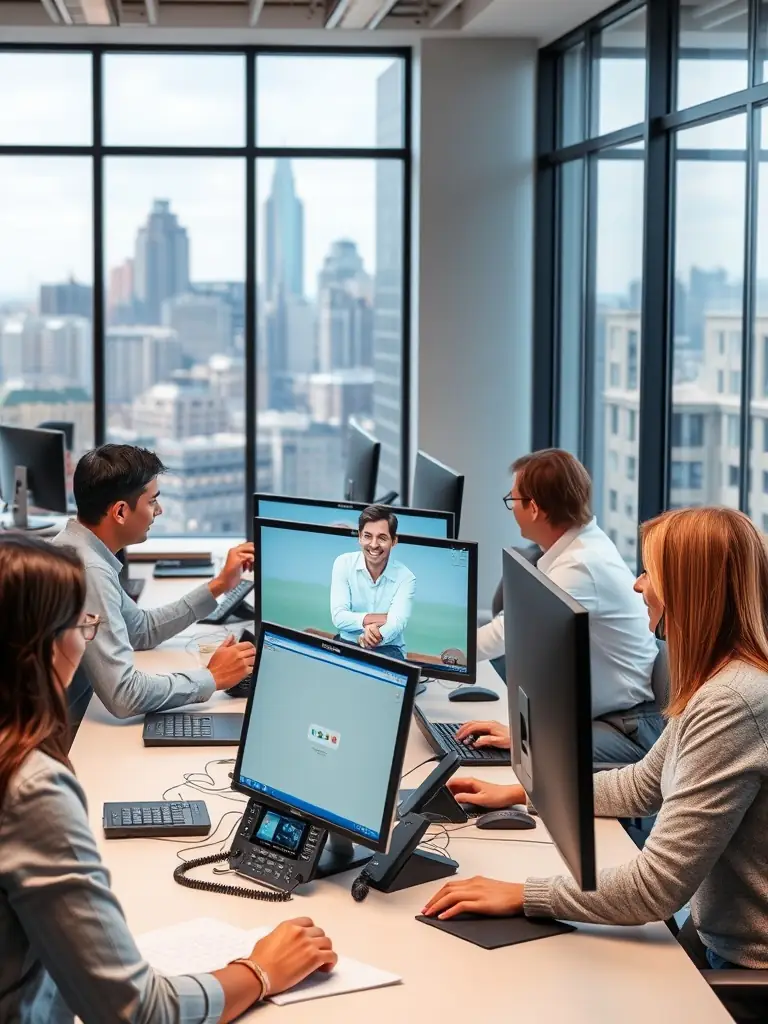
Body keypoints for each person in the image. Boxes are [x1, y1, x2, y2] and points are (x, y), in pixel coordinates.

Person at [423, 507, 768, 1020]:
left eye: (651, 572)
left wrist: (523, 894)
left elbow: (654, 888)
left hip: (745, 967)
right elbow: (643, 786)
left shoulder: (733, 701)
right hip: (716, 933)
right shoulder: (721, 678)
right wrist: (524, 792)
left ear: (691, 590)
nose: (637, 585)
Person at [0, 533, 336, 1023]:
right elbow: (138, 1013)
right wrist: (261, 970)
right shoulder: (30, 786)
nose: (86, 637)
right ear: (40, 648)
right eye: (82, 624)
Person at [462, 448, 661, 763]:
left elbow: (509, 632)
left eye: (513, 501)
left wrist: (435, 657)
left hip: (626, 727)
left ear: (535, 509)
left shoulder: (580, 567)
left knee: (522, 756)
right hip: (606, 712)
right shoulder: (577, 547)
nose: (511, 509)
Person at [52, 444, 256, 720]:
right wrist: (212, 677)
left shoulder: (78, 549)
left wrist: (220, 585)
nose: (158, 511)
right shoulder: (89, 570)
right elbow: (124, 694)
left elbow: (140, 630)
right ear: (121, 512)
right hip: (54, 736)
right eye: (152, 501)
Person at [330, 504, 415, 660]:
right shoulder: (343, 563)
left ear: (394, 541)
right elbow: (338, 617)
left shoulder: (406, 577)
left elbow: (397, 623)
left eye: (382, 538)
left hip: (388, 648)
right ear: (359, 537)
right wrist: (383, 618)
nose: (374, 545)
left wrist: (372, 636)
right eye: (368, 536)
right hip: (347, 643)